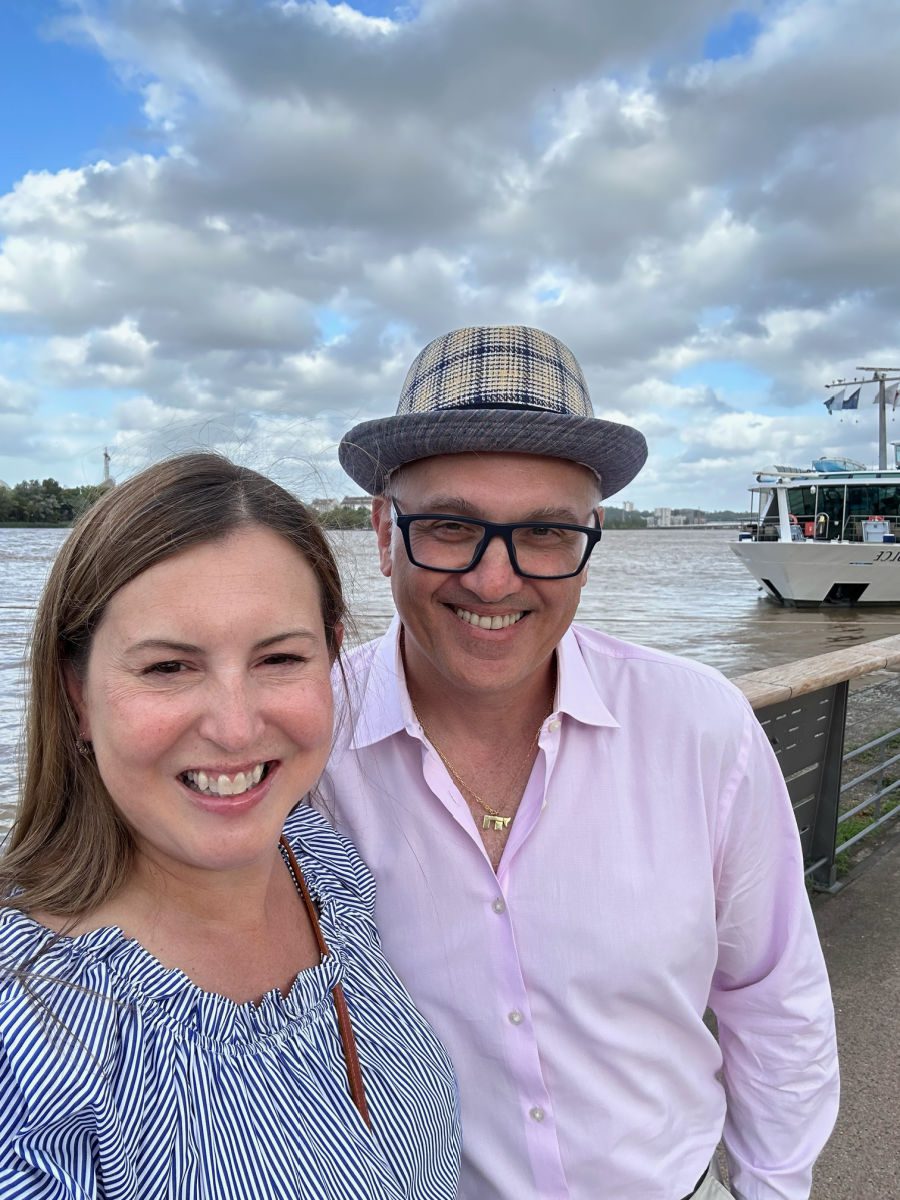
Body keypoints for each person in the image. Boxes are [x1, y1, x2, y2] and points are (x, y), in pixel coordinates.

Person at [325, 325, 840, 1200]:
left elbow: (773, 993)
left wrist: (773, 1188)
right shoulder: (304, 741)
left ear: (589, 540)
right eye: (450, 526)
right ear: (383, 532)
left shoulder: (698, 726)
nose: (495, 580)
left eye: (546, 533)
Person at [0, 453, 460, 1200]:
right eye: (168, 668)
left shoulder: (322, 863)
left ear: (332, 658)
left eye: (279, 657)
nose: (237, 727)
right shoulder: (29, 1041)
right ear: (76, 694)